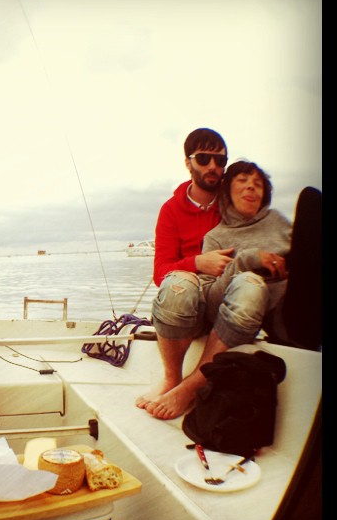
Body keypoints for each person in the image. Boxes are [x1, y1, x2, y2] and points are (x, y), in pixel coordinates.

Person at [140, 158, 322, 420]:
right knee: (251, 285)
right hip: (283, 319)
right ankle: (182, 384)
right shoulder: (217, 236)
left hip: (303, 301)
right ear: (227, 192)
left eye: (257, 183)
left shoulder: (279, 223)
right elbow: (214, 297)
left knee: (311, 201)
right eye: (243, 181)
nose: (251, 187)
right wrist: (248, 260)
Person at [136, 127, 233, 418]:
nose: (213, 167)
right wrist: (198, 263)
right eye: (204, 159)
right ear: (188, 162)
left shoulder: (234, 203)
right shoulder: (171, 210)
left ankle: (189, 387)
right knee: (176, 285)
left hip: (224, 301)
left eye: (220, 160)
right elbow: (160, 272)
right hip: (190, 305)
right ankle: (171, 377)